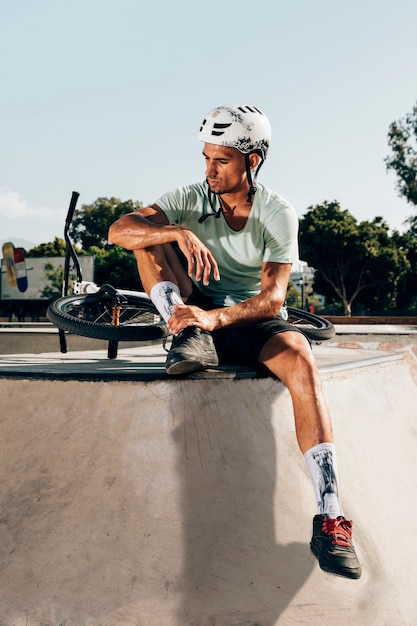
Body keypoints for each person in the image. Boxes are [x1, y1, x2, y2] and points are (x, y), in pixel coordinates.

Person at [108, 104, 362, 579]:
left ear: (253, 161)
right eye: (205, 158)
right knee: (147, 241)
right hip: (192, 314)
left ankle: (329, 517)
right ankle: (182, 333)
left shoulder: (277, 213)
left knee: (304, 366)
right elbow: (118, 229)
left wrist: (214, 318)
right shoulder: (189, 197)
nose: (209, 170)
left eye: (220, 161)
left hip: (249, 319)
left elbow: (273, 299)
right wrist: (176, 232)